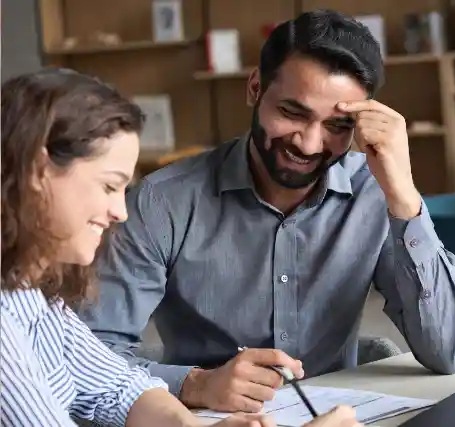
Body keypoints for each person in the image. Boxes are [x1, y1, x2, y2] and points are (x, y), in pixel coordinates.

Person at [80, 9, 455, 414]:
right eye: (292, 113)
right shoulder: (161, 203)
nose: (308, 144)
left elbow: (446, 350)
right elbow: (85, 361)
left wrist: (405, 197)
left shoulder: (376, 191)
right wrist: (196, 384)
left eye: (337, 126)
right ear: (255, 87)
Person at [0, 68, 361, 427]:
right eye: (110, 186)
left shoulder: (33, 296)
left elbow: (118, 389)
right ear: (39, 172)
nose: (120, 212)